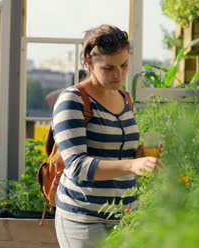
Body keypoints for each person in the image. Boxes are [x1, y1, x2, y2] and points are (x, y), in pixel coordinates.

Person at [51, 24, 164, 248]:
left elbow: (116, 153)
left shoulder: (125, 98)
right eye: (109, 68)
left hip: (125, 215)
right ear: (90, 63)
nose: (118, 74)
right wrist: (132, 165)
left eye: (124, 65)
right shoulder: (72, 100)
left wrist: (139, 155)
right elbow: (76, 167)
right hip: (83, 217)